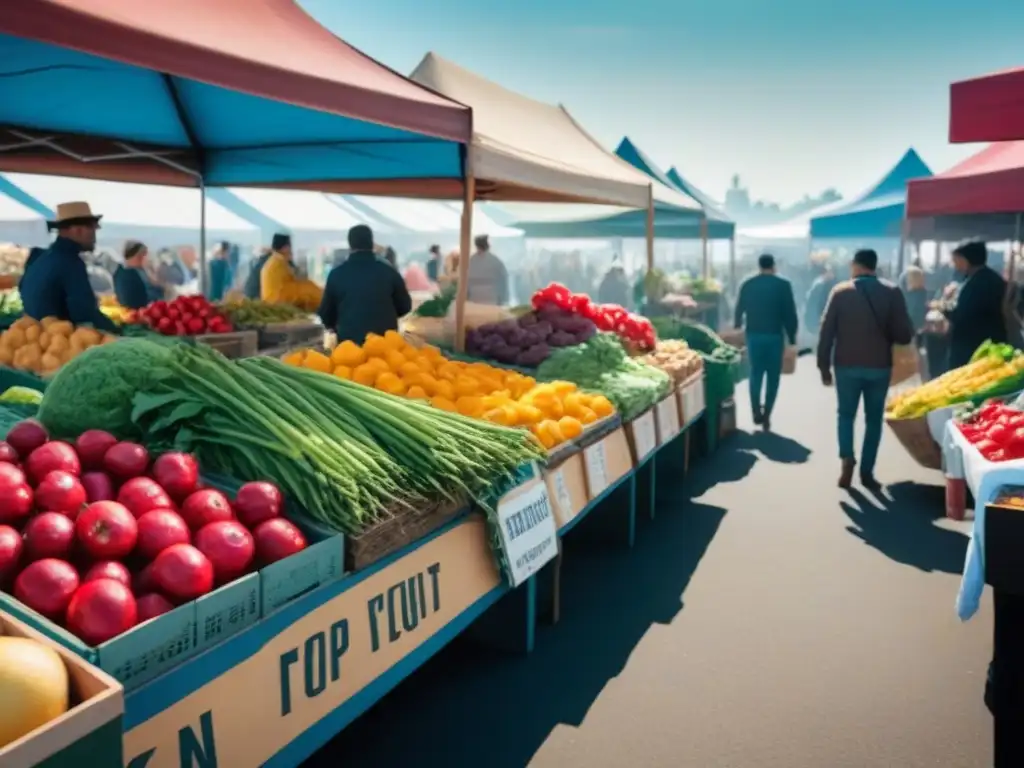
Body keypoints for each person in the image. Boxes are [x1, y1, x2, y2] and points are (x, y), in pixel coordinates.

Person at [817, 249, 914, 489]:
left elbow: (826, 332)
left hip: (846, 365)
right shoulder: (892, 292)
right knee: (873, 420)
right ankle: (867, 471)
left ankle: (847, 458)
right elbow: (903, 335)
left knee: (846, 415)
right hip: (879, 366)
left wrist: (823, 367)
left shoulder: (840, 292)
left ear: (855, 266)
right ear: (874, 265)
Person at [19, 202, 116, 332]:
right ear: (78, 230)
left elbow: (22, 287)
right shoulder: (70, 263)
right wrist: (117, 331)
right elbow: (83, 312)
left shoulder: (38, 257)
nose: (94, 237)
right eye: (92, 229)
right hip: (59, 339)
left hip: (34, 337)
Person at [733, 254, 798, 430]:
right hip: (775, 336)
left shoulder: (748, 284)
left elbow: (739, 308)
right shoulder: (783, 285)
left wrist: (737, 325)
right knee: (773, 376)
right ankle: (767, 412)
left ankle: (755, 410)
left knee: (755, 373)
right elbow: (790, 313)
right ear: (773, 266)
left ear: (759, 265)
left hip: (753, 335)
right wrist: (792, 338)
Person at [318, 224, 412, 344]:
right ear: (372, 243)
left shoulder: (336, 274)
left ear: (350, 245)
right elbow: (405, 306)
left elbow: (326, 315)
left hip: (349, 350)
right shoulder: (389, 272)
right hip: (386, 349)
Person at [943, 240, 1010, 369]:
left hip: (974, 347)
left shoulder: (977, 284)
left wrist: (943, 309)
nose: (954, 264)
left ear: (966, 260)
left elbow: (962, 315)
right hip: (988, 342)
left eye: (956, 259)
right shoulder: (990, 278)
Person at [260, 233, 321, 306]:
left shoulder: (273, 260)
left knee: (308, 287)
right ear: (285, 248)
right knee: (309, 289)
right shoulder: (278, 262)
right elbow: (293, 279)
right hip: (277, 299)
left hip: (271, 298)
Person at [114, 240, 162, 309]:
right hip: (142, 308)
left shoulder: (140, 270)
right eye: (142, 255)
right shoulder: (128, 274)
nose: (145, 258)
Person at [466, 235, 509, 305]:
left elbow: (466, 281)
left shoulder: (471, 261)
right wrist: (503, 299)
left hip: (474, 297)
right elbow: (503, 280)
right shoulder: (495, 261)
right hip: (491, 297)